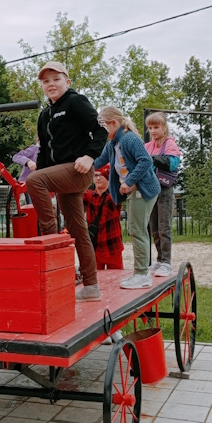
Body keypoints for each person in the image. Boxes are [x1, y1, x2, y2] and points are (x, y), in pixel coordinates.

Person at [26, 61, 108, 302]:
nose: (51, 84)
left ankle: (50, 237)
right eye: (46, 81)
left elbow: (100, 130)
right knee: (78, 228)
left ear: (67, 82)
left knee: (34, 181)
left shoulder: (76, 101)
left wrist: (90, 155)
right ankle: (92, 285)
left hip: (78, 170)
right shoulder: (45, 115)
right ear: (42, 86)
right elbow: (42, 153)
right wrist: (42, 173)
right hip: (61, 175)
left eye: (56, 79)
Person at [94, 106, 160, 289]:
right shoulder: (113, 143)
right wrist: (83, 163)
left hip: (142, 189)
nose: (101, 131)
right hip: (132, 190)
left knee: (137, 230)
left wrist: (129, 180)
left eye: (103, 127)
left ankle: (142, 275)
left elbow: (146, 160)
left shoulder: (129, 138)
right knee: (135, 229)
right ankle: (140, 272)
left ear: (114, 123)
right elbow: (99, 161)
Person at [144, 112, 182, 277]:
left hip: (164, 188)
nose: (153, 131)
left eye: (156, 127)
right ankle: (159, 259)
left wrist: (154, 159)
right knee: (154, 227)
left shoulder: (169, 144)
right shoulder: (148, 145)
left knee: (164, 226)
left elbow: (173, 164)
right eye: (150, 128)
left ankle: (166, 261)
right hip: (151, 188)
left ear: (164, 127)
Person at [84, 165, 123, 270]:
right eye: (96, 175)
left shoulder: (114, 196)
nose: (98, 178)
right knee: (96, 281)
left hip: (112, 247)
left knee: (116, 279)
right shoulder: (88, 196)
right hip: (96, 247)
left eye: (102, 175)